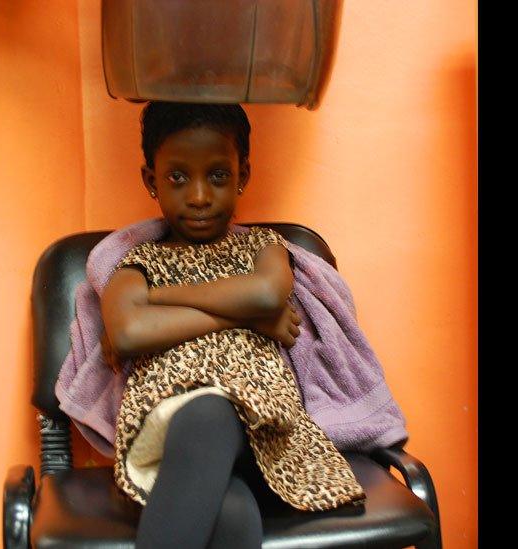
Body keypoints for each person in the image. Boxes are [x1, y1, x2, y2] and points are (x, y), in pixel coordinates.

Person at [99, 102, 366, 549]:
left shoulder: (264, 247)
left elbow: (266, 294)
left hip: (264, 423)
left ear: (243, 175)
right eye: (178, 177)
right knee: (208, 429)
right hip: (168, 422)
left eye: (218, 176)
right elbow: (126, 333)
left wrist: (159, 298)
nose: (199, 196)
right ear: (151, 180)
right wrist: (248, 316)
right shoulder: (139, 262)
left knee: (231, 505)